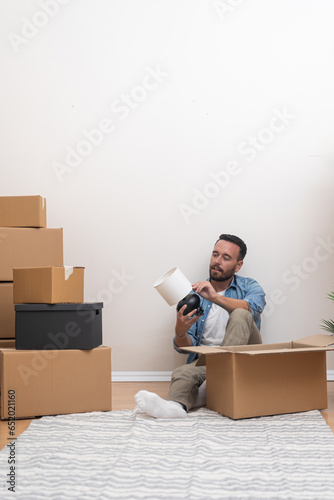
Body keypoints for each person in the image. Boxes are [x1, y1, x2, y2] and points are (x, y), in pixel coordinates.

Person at [135, 234, 266, 418]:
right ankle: (174, 408)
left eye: (226, 257)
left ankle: (210, 387)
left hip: (244, 360)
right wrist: (180, 331)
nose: (217, 261)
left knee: (240, 314)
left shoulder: (250, 286)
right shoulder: (193, 295)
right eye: (215, 254)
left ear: (238, 265)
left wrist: (215, 297)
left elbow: (251, 308)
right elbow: (184, 347)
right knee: (183, 372)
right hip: (208, 362)